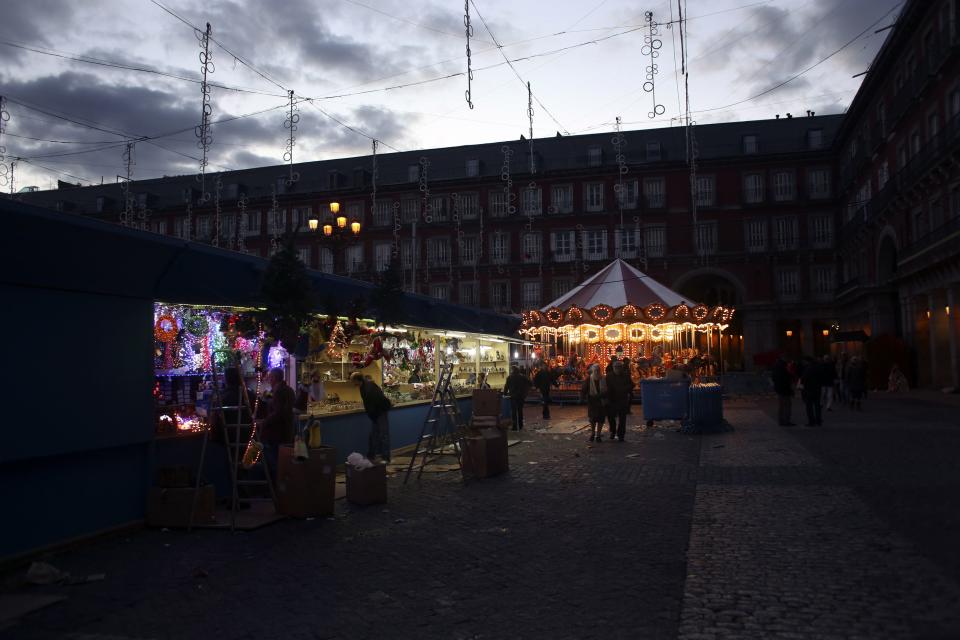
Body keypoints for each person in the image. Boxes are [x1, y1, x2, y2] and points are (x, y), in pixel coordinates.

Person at [257, 367, 295, 482]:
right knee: (284, 461)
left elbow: (278, 413)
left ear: (273, 378)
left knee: (274, 463)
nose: (268, 378)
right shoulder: (289, 390)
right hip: (287, 431)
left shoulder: (278, 391)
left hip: (276, 433)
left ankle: (277, 488)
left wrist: (263, 422)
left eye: (270, 376)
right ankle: (285, 486)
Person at [352, 371, 392, 462]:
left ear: (357, 380)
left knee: (382, 435)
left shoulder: (368, 387)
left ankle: (384, 457)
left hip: (379, 412)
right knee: (375, 435)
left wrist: (374, 413)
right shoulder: (365, 386)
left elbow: (378, 400)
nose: (352, 383)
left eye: (353, 381)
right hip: (376, 413)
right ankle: (373, 455)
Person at [605, 360, 634, 442]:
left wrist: (624, 390)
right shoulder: (609, 376)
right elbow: (605, 386)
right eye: (616, 367)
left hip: (622, 399)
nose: (617, 369)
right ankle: (613, 431)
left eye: (619, 367)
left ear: (621, 368)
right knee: (611, 417)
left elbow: (632, 385)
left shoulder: (626, 375)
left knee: (622, 419)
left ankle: (621, 434)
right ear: (613, 368)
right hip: (612, 399)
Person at [581, 364, 607, 442]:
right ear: (593, 371)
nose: (597, 372)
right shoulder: (589, 379)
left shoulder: (603, 378)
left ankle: (598, 434)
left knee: (601, 419)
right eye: (595, 370)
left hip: (601, 401)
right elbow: (584, 389)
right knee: (592, 419)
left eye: (598, 370)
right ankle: (593, 433)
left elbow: (606, 390)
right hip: (592, 401)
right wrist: (582, 396)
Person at [502, 365, 532, 431]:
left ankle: (514, 426)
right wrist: (525, 391)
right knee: (520, 411)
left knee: (514, 412)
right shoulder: (522, 377)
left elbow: (506, 387)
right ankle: (521, 425)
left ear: (512, 370)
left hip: (513, 397)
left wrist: (504, 394)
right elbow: (530, 383)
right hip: (521, 397)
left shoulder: (509, 377)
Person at [771, 356, 795, 426]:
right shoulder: (784, 368)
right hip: (785, 390)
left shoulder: (775, 367)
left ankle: (781, 420)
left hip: (779, 389)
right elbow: (787, 380)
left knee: (781, 406)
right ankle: (786, 421)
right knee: (787, 406)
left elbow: (773, 378)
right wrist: (790, 390)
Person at [800, 357, 823, 426]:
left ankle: (811, 421)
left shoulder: (808, 369)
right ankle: (818, 420)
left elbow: (803, 379)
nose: (803, 363)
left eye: (804, 361)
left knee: (809, 406)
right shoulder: (818, 367)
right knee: (817, 406)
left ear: (807, 361)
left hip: (809, 389)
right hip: (817, 389)